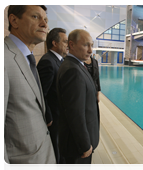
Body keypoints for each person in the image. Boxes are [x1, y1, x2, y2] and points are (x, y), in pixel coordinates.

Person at [4, 5, 57, 170]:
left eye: (46, 20)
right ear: (14, 20)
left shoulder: (27, 58)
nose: (44, 24)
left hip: (41, 159)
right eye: (36, 17)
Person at [56, 29, 100, 170]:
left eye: (91, 45)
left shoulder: (77, 66)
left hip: (78, 143)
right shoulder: (72, 70)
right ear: (72, 45)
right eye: (86, 45)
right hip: (77, 147)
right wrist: (85, 145)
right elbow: (75, 114)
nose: (90, 50)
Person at [37, 27, 68, 169]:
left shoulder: (59, 61)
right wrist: (48, 117)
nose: (67, 45)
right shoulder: (48, 62)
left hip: (60, 116)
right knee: (55, 149)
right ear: (55, 43)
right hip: (54, 118)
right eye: (65, 42)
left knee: (60, 148)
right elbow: (40, 93)